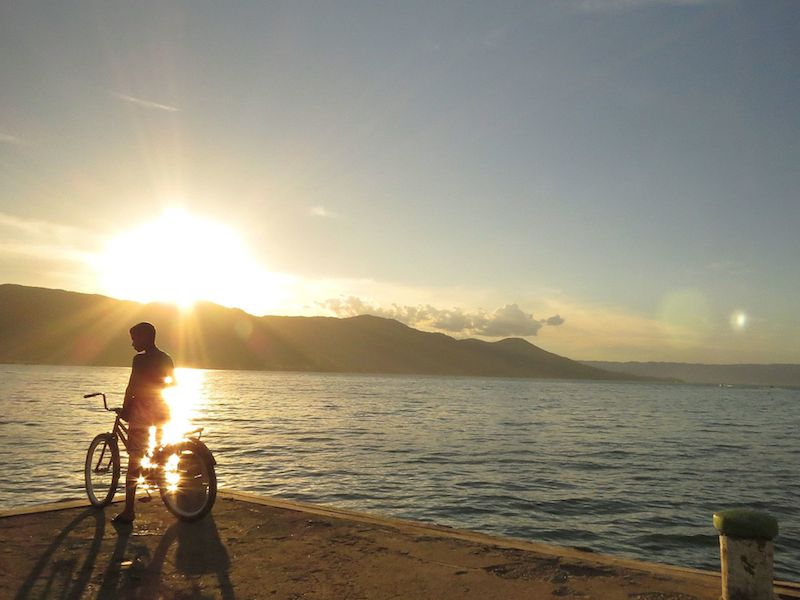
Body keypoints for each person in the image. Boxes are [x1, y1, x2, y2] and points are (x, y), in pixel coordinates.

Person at [114, 321, 175, 524]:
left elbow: (132, 387)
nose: (133, 344)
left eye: (135, 339)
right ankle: (156, 473)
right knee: (158, 450)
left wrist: (125, 408)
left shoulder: (138, 360)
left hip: (142, 411)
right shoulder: (166, 358)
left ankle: (129, 511)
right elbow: (173, 383)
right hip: (163, 409)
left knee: (134, 457)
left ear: (146, 338)